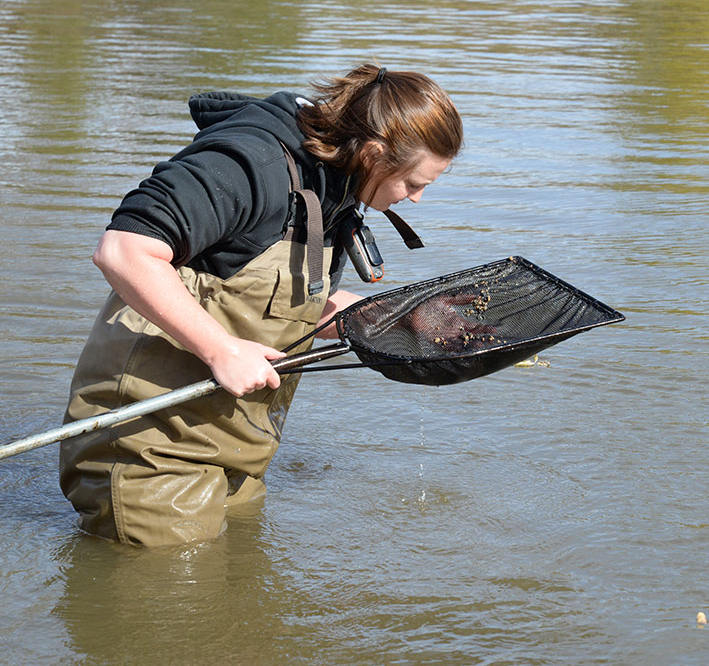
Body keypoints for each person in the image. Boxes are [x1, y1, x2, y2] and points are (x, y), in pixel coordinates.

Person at [59, 63, 462, 547]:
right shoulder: (249, 164)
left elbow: (270, 295)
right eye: (415, 183)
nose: (415, 199)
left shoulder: (334, 182)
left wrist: (390, 318)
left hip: (234, 449)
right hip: (151, 449)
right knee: (175, 612)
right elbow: (124, 250)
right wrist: (220, 349)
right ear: (375, 153)